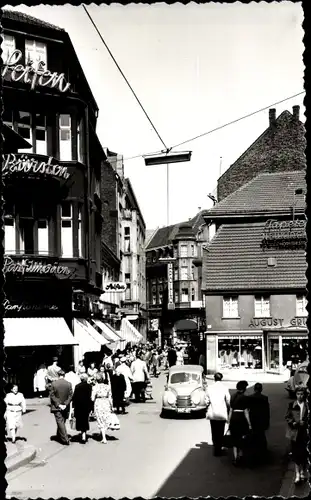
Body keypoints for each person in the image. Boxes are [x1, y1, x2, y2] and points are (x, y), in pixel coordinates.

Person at [285, 387, 309, 484]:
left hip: (304, 432)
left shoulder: (307, 406)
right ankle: (297, 474)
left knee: (304, 452)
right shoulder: (292, 405)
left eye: (302, 394)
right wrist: (293, 423)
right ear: (296, 395)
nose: (300, 396)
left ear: (304, 395)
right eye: (298, 394)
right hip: (294, 432)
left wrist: (306, 422)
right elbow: (287, 417)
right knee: (295, 453)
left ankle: (303, 471)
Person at [206, 373, 231, 456]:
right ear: (221, 379)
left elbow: (206, 401)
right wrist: (228, 409)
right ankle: (219, 449)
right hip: (221, 413)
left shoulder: (209, 388)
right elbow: (228, 400)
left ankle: (216, 448)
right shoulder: (224, 388)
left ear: (214, 378)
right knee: (220, 431)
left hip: (212, 413)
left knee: (214, 431)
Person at [228, 380, 252, 465]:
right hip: (241, 419)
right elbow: (246, 412)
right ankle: (241, 456)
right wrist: (249, 424)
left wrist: (229, 420)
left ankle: (235, 458)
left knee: (234, 439)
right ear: (244, 388)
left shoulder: (233, 396)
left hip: (234, 418)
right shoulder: (245, 398)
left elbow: (230, 410)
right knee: (241, 438)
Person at [247, 383, 270, 464]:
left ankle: (252, 455)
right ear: (261, 389)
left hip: (252, 420)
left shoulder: (250, 398)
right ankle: (262, 455)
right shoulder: (264, 398)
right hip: (261, 421)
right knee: (261, 437)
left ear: (254, 389)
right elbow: (267, 412)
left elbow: (247, 410)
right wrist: (267, 423)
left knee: (252, 438)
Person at [50, 369, 73, 445]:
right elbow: (70, 395)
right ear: (64, 375)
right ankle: (59, 435)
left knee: (60, 422)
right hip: (65, 406)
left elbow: (52, 395)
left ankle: (65, 438)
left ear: (58, 375)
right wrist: (65, 404)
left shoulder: (54, 384)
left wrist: (58, 404)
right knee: (62, 421)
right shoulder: (69, 384)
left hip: (57, 406)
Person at [91, 373, 113, 444]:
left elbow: (92, 398)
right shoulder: (107, 387)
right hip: (106, 402)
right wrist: (111, 406)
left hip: (99, 403)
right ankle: (102, 433)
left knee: (100, 418)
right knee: (105, 417)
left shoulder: (95, 387)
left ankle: (104, 438)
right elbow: (110, 397)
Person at [72, 373, 93, 443]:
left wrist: (73, 406)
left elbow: (74, 397)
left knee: (80, 420)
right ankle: (84, 434)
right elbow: (91, 397)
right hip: (86, 406)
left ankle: (82, 433)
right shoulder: (89, 386)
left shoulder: (77, 386)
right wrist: (91, 407)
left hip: (79, 406)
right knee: (85, 420)